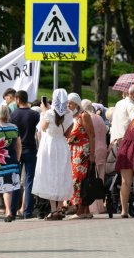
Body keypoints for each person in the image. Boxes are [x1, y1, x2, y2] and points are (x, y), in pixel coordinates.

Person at [32, 89, 74, 220]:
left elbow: (43, 128)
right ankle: (61, 208)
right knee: (61, 175)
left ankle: (54, 210)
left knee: (50, 174)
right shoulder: (69, 114)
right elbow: (67, 134)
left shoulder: (49, 113)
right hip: (61, 145)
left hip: (49, 145)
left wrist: (44, 112)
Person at [0, 104, 21, 223]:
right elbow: (18, 146)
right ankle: (9, 212)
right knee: (8, 189)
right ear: (8, 114)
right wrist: (17, 158)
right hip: (11, 161)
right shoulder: (14, 128)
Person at [10, 90, 40, 220]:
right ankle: (27, 211)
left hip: (16, 150)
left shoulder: (13, 115)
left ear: (17, 99)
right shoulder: (34, 114)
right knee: (29, 180)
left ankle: (12, 210)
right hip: (30, 149)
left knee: (15, 181)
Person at [66, 93, 95, 219]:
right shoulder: (72, 117)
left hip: (83, 151)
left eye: (70, 103)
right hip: (74, 151)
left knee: (78, 181)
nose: (68, 105)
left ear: (77, 103)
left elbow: (91, 135)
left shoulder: (84, 115)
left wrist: (92, 154)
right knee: (81, 181)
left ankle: (80, 210)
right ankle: (85, 210)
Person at [81, 99, 108, 214]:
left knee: (90, 178)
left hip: (93, 148)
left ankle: (92, 207)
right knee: (100, 178)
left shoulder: (87, 117)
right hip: (103, 148)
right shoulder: (100, 118)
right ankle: (100, 205)